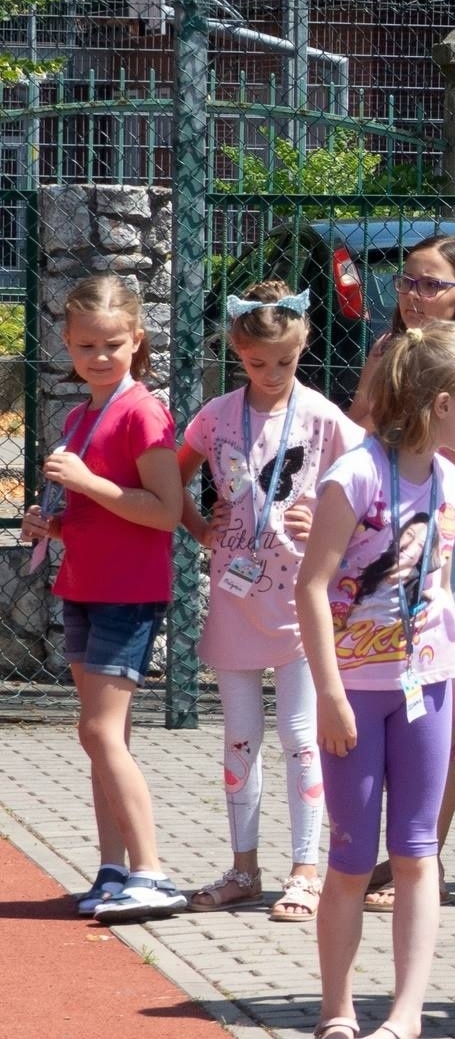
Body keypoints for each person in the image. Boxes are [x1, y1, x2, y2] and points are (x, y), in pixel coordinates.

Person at [294, 321, 455, 1039]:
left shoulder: (453, 481)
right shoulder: (356, 473)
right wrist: (330, 693)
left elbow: (438, 593)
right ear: (442, 403)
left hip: (428, 688)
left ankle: (405, 1015)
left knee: (416, 852)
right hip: (355, 694)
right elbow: (312, 587)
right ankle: (337, 1008)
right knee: (348, 860)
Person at [178, 281, 363, 922]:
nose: (273, 373)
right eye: (258, 363)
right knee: (240, 735)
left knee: (299, 734)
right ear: (237, 351)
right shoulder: (217, 416)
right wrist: (201, 528)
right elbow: (168, 473)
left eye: (283, 361)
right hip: (237, 597)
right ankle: (243, 867)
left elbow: (370, 486)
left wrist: (334, 526)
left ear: (304, 343)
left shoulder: (323, 417)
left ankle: (306, 869)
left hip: (302, 604)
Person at [349, 234, 455, 912]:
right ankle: (375, 853)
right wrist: (381, 406)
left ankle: (425, 857)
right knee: (375, 696)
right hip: (379, 544)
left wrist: (448, 431)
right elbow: (355, 432)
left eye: (432, 285)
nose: (416, 297)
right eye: (408, 283)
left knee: (439, 705)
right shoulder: (388, 354)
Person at [25, 275, 187, 923]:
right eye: (86, 344)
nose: (98, 356)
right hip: (84, 586)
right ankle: (115, 867)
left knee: (97, 729)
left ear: (136, 340)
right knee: (105, 736)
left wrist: (88, 481)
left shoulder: (143, 411)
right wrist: (53, 523)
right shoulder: (79, 415)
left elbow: (166, 511)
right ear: (66, 343)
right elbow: (94, 514)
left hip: (127, 592)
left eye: (112, 344)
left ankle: (152, 872)